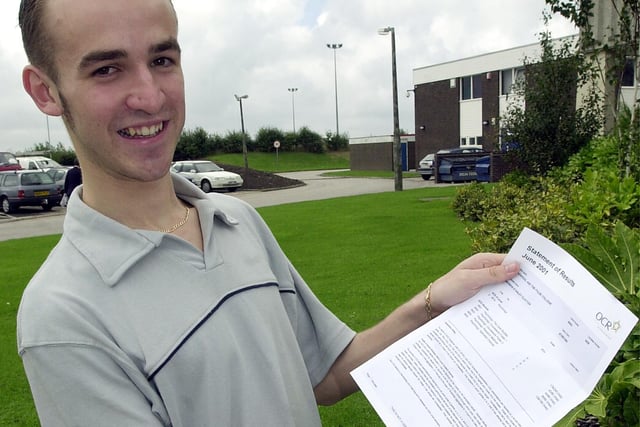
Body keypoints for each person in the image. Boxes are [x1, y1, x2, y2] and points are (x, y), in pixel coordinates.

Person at [16, 0, 520, 425]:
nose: (149, 95)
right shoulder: (62, 316)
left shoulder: (238, 222)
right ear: (45, 91)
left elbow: (323, 376)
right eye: (107, 69)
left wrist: (430, 305)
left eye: (163, 59)